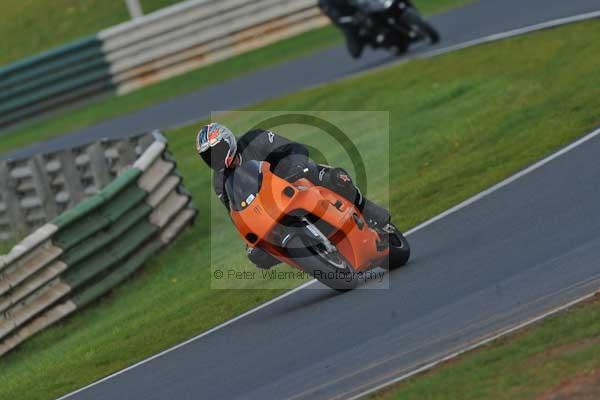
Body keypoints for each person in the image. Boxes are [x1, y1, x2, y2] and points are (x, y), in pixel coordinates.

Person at [196, 122, 390, 269]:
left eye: (217, 150)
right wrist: (249, 236)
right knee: (257, 254)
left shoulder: (254, 139)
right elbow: (235, 212)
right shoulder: (219, 182)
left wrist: (296, 166)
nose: (215, 158)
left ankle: (376, 217)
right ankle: (310, 259)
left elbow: (290, 148)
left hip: (294, 179)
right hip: (268, 210)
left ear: (228, 141)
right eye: (209, 156)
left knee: (337, 178)